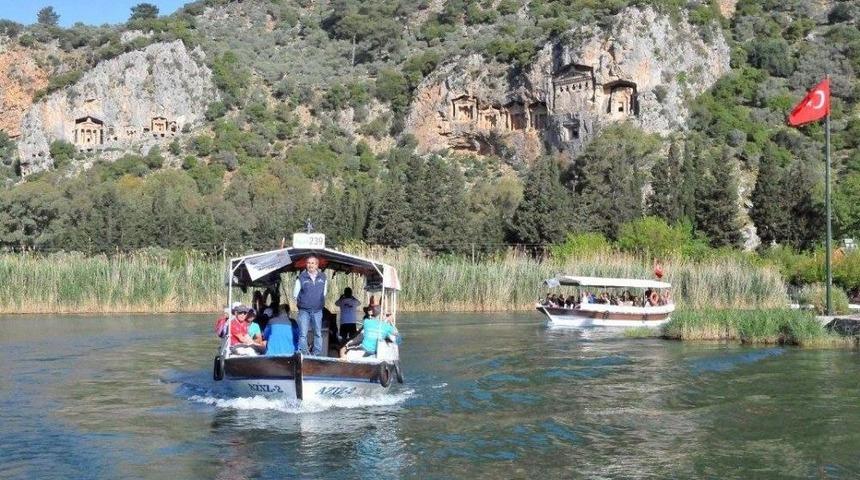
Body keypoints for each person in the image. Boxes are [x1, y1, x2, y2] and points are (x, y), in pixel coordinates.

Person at [293, 256, 327, 356]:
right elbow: (295, 295)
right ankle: (305, 354)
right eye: (308, 263)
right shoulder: (301, 277)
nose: (310, 265)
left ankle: (316, 353)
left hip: (317, 310)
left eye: (312, 263)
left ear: (317, 265)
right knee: (303, 334)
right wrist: (304, 303)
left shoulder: (323, 277)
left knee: (318, 333)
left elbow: (324, 293)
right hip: (304, 310)